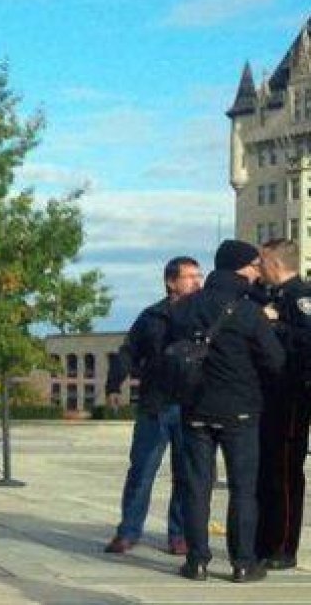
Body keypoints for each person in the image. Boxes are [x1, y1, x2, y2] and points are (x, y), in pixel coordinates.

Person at [170, 240, 285, 583]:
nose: (257, 272)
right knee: (242, 488)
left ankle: (197, 561)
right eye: (253, 266)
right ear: (240, 268)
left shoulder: (186, 307)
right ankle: (243, 563)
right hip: (241, 410)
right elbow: (275, 360)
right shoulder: (250, 310)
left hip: (195, 408)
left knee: (196, 487)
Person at [104, 257, 203, 556]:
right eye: (190, 276)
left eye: (199, 275)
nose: (197, 281)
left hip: (192, 406)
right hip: (156, 405)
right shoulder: (151, 317)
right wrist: (113, 385)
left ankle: (179, 535)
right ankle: (128, 532)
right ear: (171, 282)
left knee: (187, 474)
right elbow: (127, 352)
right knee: (142, 471)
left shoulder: (206, 315)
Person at [254, 239, 311, 570]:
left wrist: (273, 326)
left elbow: (306, 340)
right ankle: (265, 541)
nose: (259, 269)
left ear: (275, 264)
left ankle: (283, 547)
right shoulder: (273, 296)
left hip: (292, 395)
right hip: (271, 395)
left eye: (263, 262)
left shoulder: (299, 297)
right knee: (267, 472)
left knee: (285, 473)